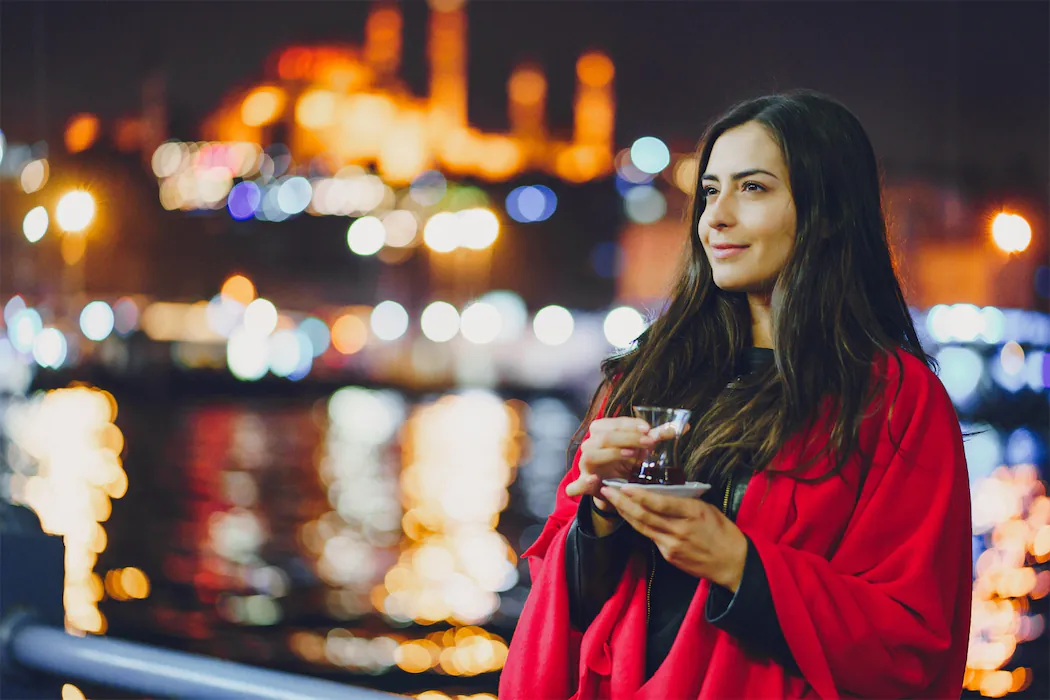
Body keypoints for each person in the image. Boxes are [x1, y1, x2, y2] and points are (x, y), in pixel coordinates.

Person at [500, 90, 972, 699]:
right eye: (710, 191)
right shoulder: (645, 375)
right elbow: (565, 603)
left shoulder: (892, 400)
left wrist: (738, 564)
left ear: (826, 212)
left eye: (752, 188)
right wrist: (597, 512)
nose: (716, 216)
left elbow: (911, 644)